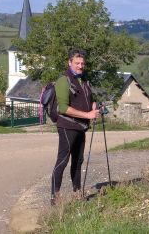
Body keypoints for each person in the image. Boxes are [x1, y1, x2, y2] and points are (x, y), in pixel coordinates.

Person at [51, 49, 100, 205]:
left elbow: (90, 98)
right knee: (63, 161)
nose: (80, 66)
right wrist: (88, 116)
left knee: (78, 162)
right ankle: (55, 197)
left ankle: (77, 193)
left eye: (82, 63)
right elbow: (63, 108)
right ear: (69, 62)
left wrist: (93, 106)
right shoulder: (63, 81)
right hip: (67, 126)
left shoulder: (83, 80)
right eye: (77, 63)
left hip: (81, 127)